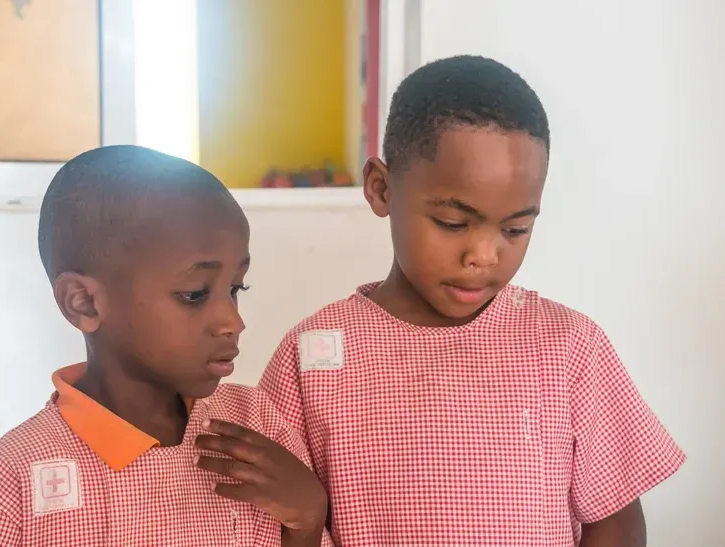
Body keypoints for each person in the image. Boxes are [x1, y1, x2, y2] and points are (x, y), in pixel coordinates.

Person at [259, 55, 685, 546]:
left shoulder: (568, 348)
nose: (483, 256)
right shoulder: (312, 357)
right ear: (381, 189)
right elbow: (277, 525)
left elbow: (616, 522)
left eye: (515, 229)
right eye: (453, 223)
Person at [0, 145, 332, 547]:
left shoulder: (256, 424)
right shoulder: (17, 479)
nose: (233, 321)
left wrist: (308, 523)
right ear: (83, 302)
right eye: (194, 294)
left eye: (235, 289)